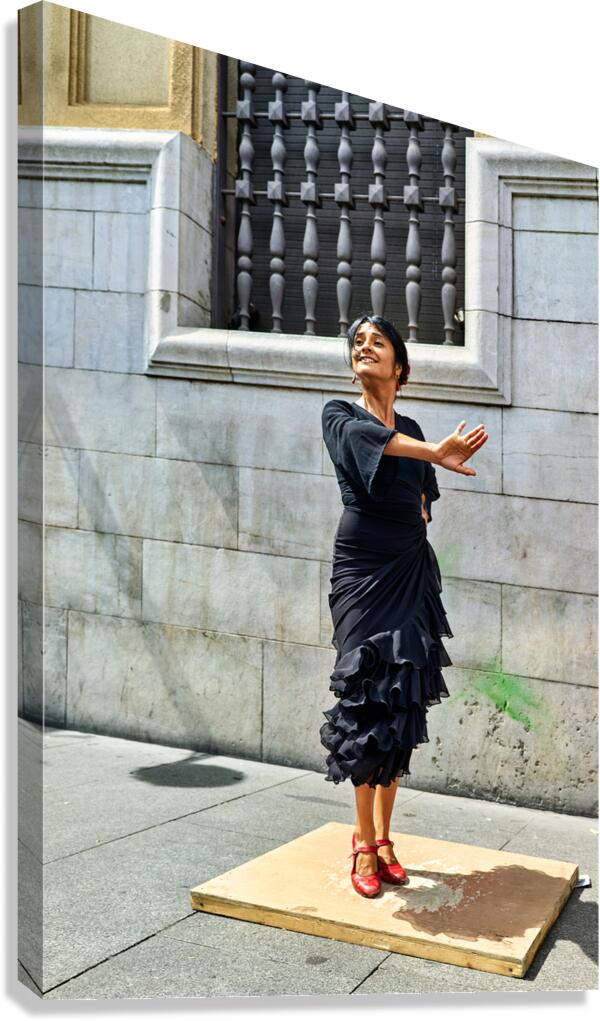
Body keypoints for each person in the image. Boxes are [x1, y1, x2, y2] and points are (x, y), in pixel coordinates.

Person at [320, 313, 488, 897]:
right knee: (367, 700)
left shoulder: (413, 427)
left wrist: (424, 490)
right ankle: (362, 843)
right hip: (362, 571)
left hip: (410, 569)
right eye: (358, 343)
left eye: (378, 343)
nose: (365, 348)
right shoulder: (339, 415)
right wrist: (433, 453)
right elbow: (378, 445)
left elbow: (421, 497)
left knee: (399, 707)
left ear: (401, 369)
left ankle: (386, 839)